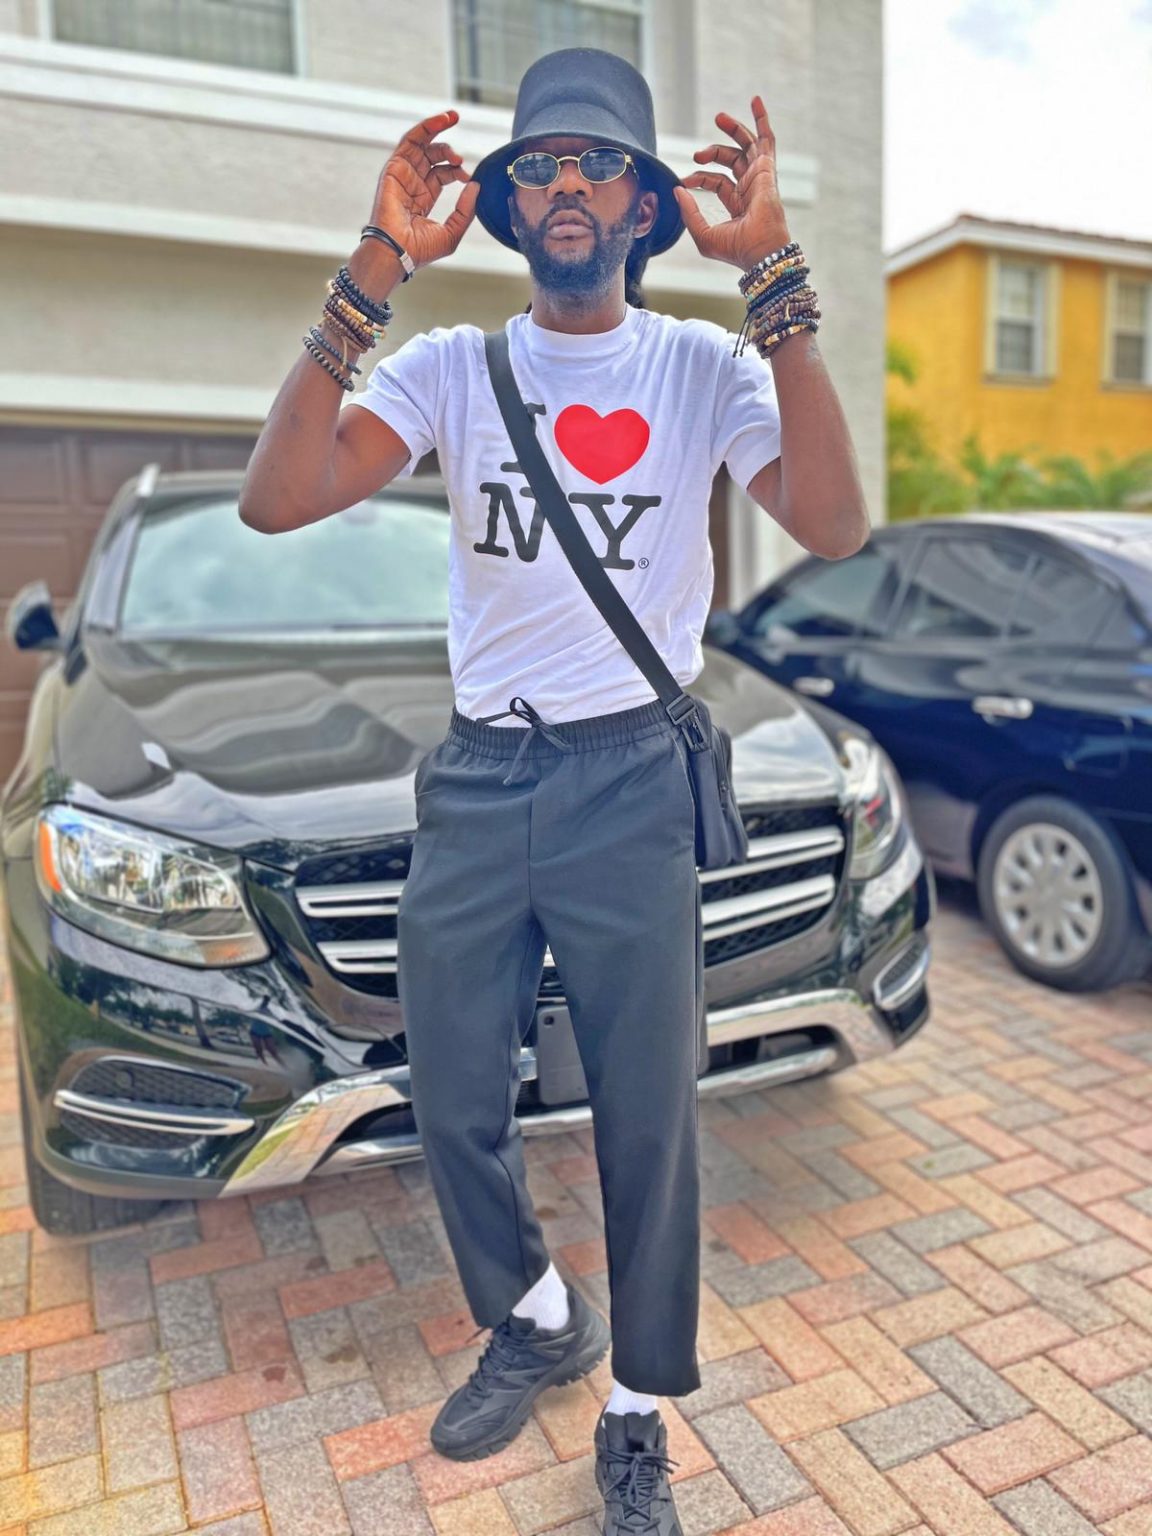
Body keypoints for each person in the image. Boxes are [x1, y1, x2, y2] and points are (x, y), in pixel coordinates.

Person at [240, 45, 869, 1535]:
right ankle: (534, 1314)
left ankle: (639, 1410)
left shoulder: (701, 368)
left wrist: (772, 277)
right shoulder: (453, 369)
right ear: (512, 206)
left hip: (629, 779)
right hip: (480, 775)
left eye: (597, 163)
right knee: (451, 1089)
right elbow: (277, 497)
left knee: (648, 1114)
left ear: (644, 206)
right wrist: (375, 266)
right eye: (539, 165)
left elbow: (835, 522)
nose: (566, 182)